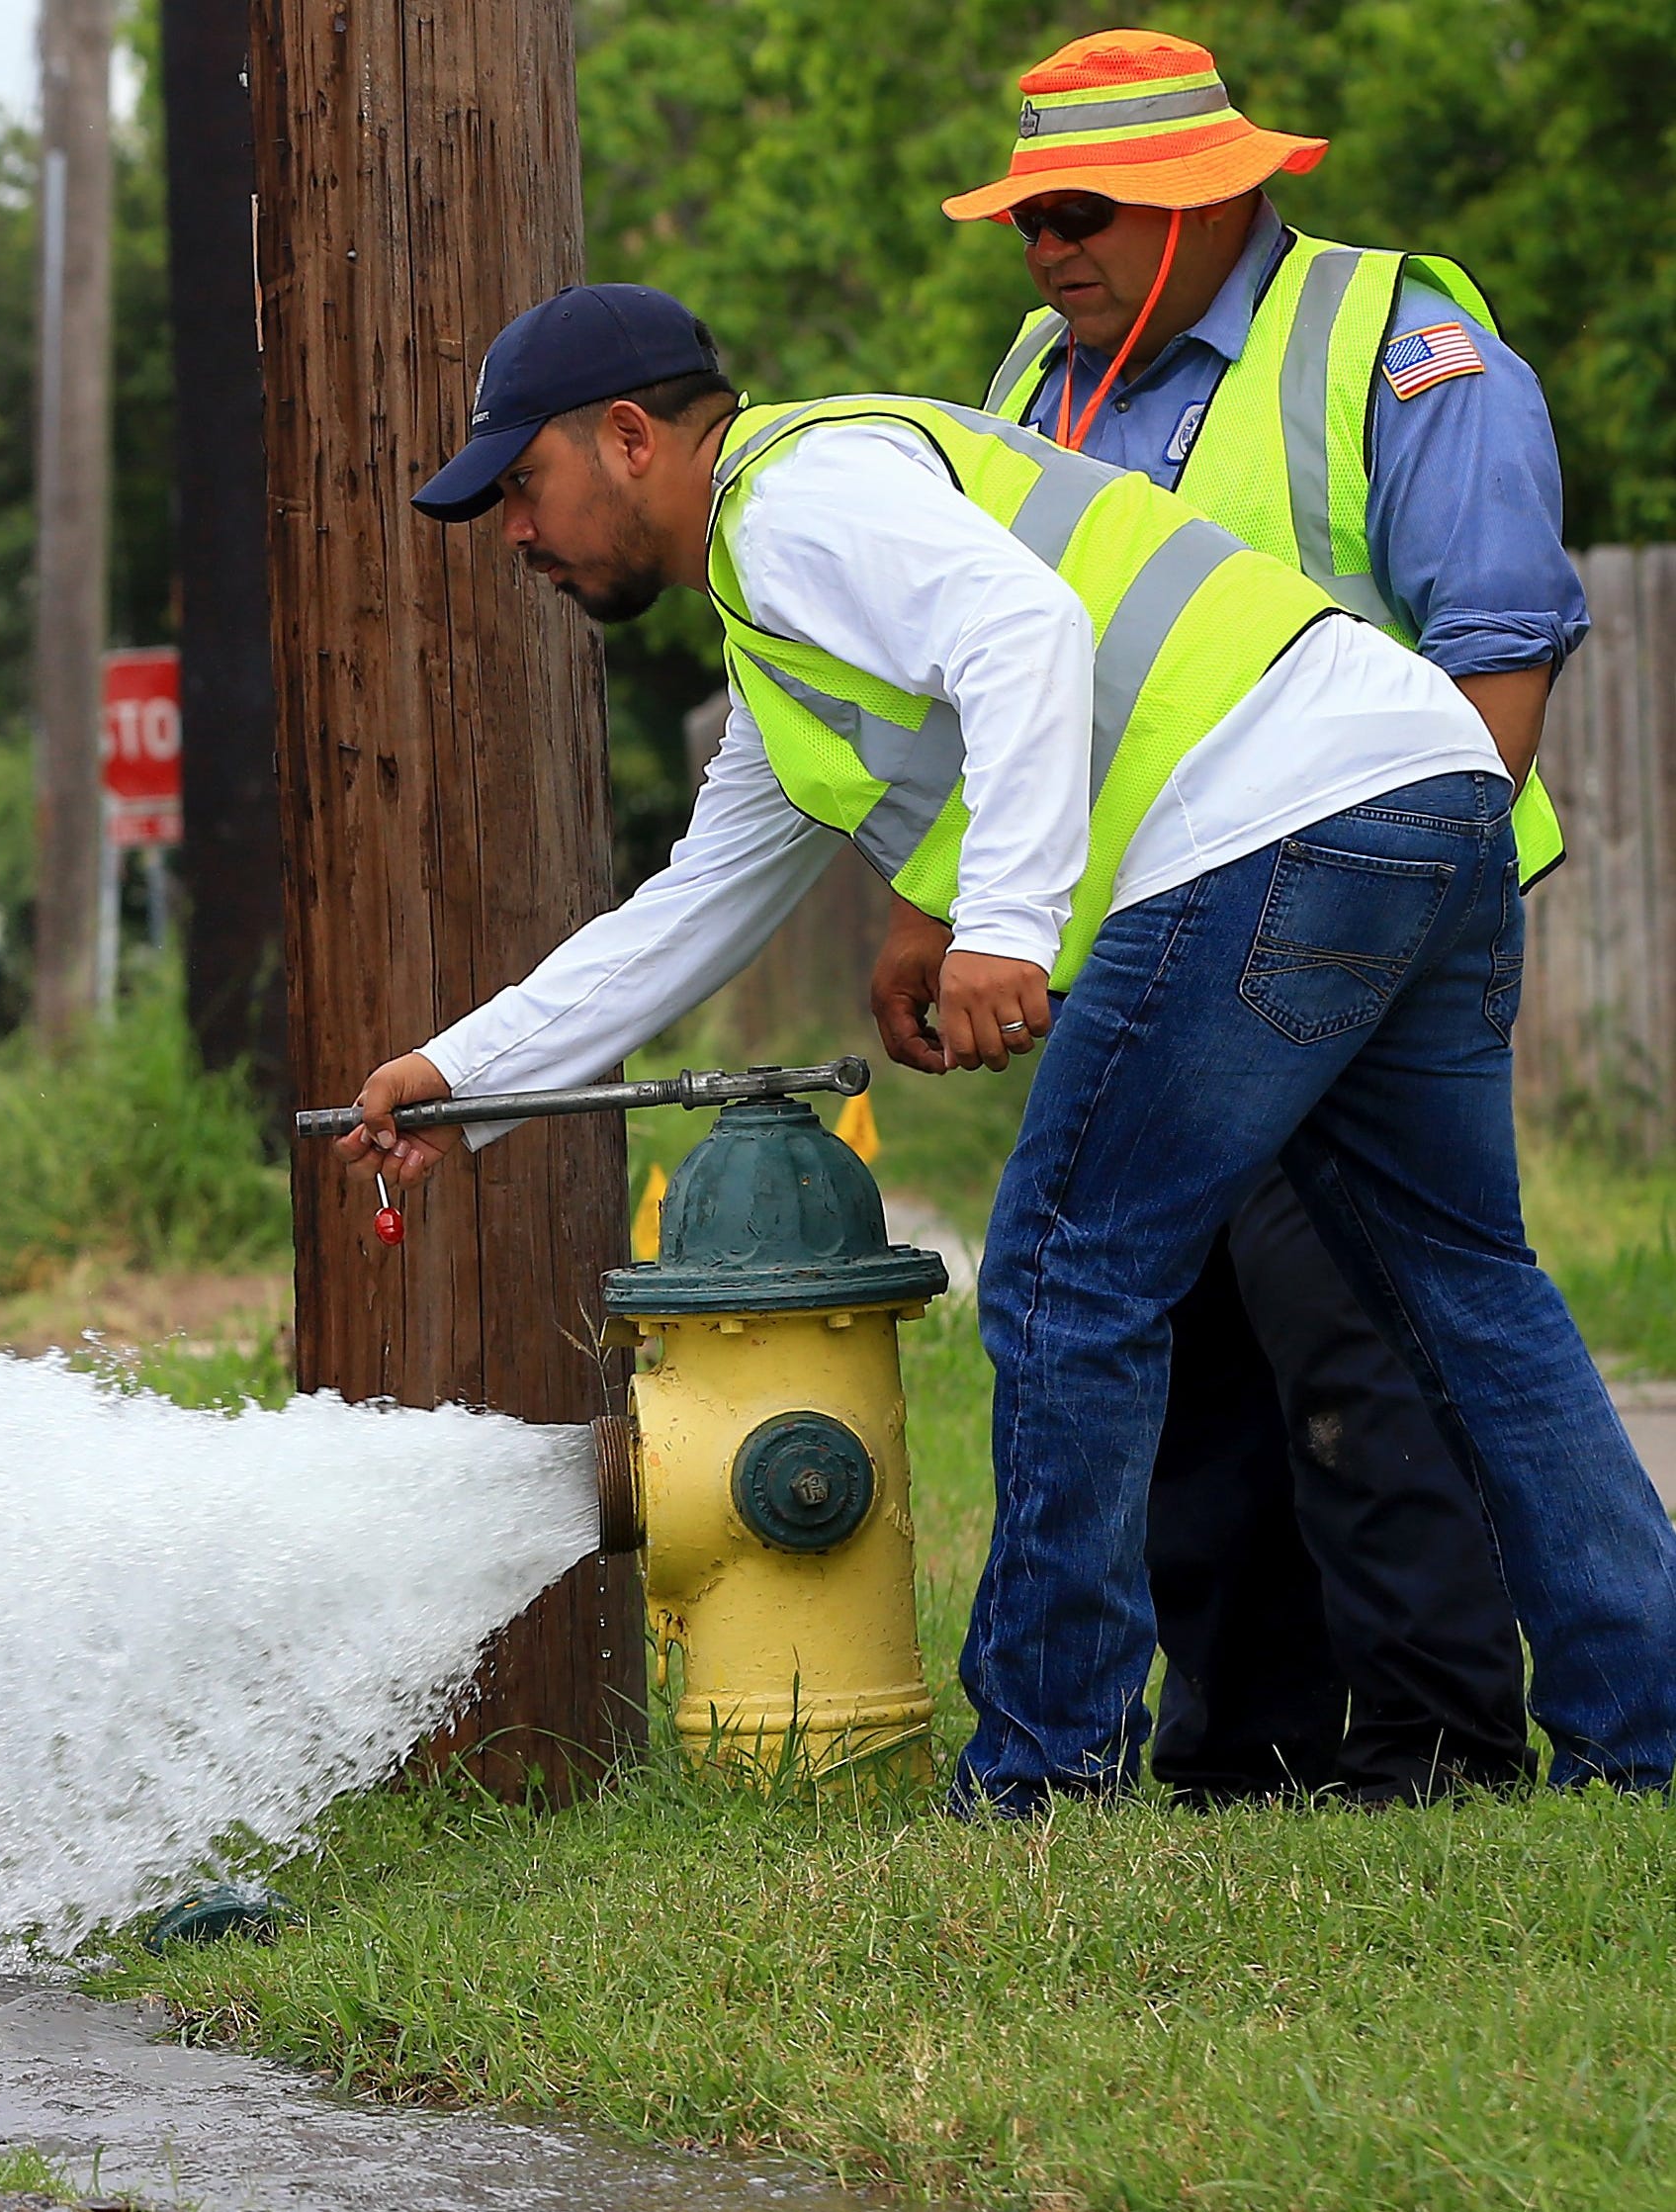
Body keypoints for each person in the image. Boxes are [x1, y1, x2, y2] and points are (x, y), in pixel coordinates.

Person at [340, 280, 1676, 1812]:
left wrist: (1006, 925)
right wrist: (460, 1080)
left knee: (1061, 1264)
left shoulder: (792, 499)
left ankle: (1044, 1769)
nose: (516, 533)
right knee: (1465, 1292)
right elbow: (688, 915)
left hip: (1279, 811)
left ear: (631, 437)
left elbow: (1022, 629)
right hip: (1431, 787)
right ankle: (1652, 1726)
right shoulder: (786, 636)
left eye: (522, 486)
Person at [883, 29, 1586, 1804]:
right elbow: (1008, 684)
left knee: (1357, 1321)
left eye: (1088, 209)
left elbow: (1498, 640)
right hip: (1152, 941)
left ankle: (1435, 1742)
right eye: (1027, 212)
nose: (1049, 245)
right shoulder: (1034, 382)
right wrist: (933, 905)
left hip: (1346, 916)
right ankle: (1243, 1736)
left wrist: (1408, 927)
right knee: (1176, 1334)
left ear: (1215, 196)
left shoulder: (1391, 342)